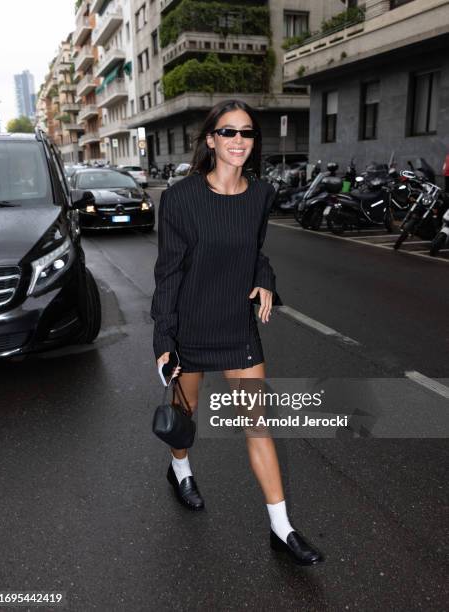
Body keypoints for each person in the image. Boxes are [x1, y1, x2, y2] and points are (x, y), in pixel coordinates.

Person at [150, 99, 324, 566]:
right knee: (186, 416)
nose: (238, 141)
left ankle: (281, 529)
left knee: (258, 422)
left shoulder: (260, 195)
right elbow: (168, 272)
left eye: (246, 133)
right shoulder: (181, 199)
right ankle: (180, 468)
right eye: (228, 132)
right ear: (210, 140)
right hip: (191, 325)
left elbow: (252, 251)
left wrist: (264, 276)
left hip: (237, 326)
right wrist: (164, 338)